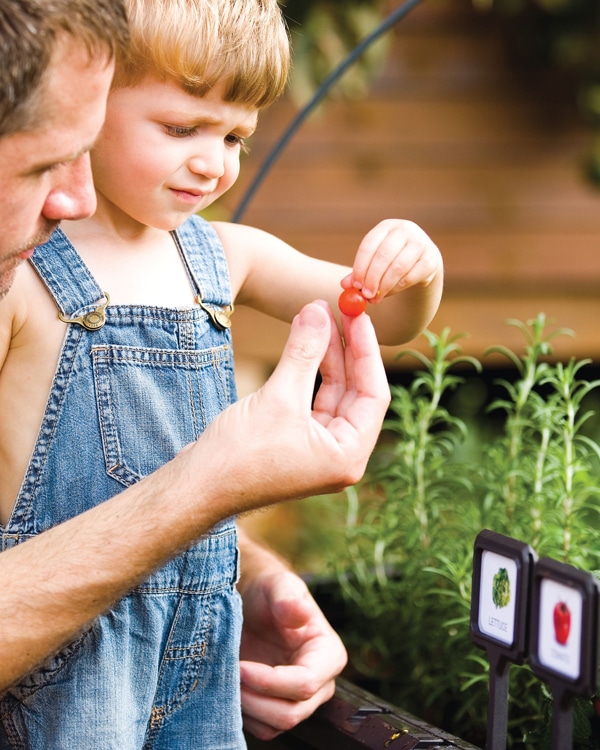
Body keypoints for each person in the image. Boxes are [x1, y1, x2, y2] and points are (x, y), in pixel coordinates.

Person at [0, 0, 441, 747]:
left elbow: (382, 318)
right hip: (67, 655)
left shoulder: (225, 257)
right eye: (180, 129)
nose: (214, 163)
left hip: (203, 639)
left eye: (236, 136)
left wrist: (414, 268)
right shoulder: (25, 278)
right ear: (94, 97)